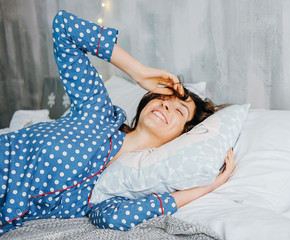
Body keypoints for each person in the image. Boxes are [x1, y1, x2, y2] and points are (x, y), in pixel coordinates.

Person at [0, 10, 235, 235]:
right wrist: (139, 71)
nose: (166, 105)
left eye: (179, 110)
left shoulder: (127, 184)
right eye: (164, 97)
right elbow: (64, 27)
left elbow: (111, 219)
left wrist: (206, 188)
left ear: (184, 135)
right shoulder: (97, 112)